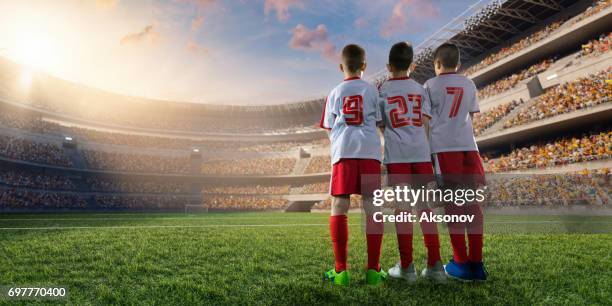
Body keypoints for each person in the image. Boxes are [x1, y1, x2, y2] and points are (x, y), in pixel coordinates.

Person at [378, 42, 446, 283]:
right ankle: (436, 265)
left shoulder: (383, 89)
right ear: (413, 65)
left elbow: (382, 125)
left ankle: (407, 267)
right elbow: (426, 123)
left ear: (388, 66)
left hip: (398, 156)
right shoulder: (420, 88)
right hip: (421, 154)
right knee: (426, 209)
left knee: (403, 211)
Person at [320, 44, 385, 286]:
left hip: (344, 152)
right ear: (364, 66)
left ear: (341, 67)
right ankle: (373, 271)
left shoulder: (334, 92)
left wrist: (339, 142)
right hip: (369, 151)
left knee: (339, 204)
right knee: (372, 207)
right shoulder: (372, 91)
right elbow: (380, 121)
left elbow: (329, 128)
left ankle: (341, 271)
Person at [425, 43, 487, 281]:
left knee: (453, 206)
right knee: (472, 204)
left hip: (444, 149)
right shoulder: (469, 83)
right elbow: (469, 117)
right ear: (458, 64)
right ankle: (477, 264)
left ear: (436, 64)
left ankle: (460, 263)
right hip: (469, 148)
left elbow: (427, 122)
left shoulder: (429, 85)